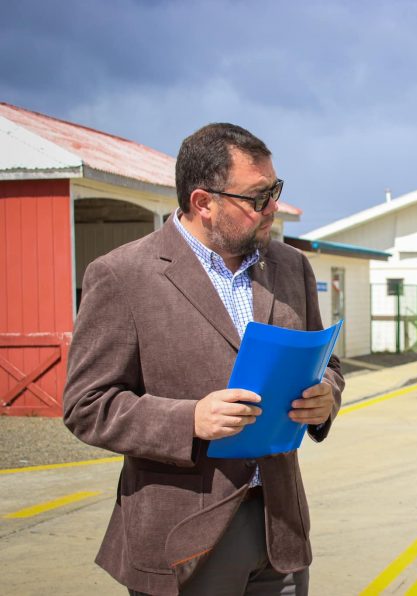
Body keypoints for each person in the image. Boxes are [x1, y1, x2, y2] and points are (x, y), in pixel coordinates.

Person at [63, 123, 344, 596]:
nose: (272, 207)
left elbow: (328, 364)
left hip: (281, 528)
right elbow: (87, 405)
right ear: (203, 203)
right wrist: (190, 418)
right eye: (257, 197)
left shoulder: (291, 266)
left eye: (275, 190)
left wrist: (327, 397)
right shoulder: (122, 275)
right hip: (184, 535)